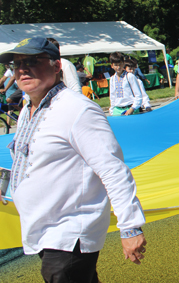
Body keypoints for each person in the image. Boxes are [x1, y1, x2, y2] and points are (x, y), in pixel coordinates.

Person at [0, 37, 146, 282]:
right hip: (43, 227)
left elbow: (113, 170)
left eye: (33, 61)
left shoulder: (77, 110)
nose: (22, 69)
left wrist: (130, 227)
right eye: (17, 64)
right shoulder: (28, 110)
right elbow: (29, 157)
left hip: (69, 230)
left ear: (57, 66)